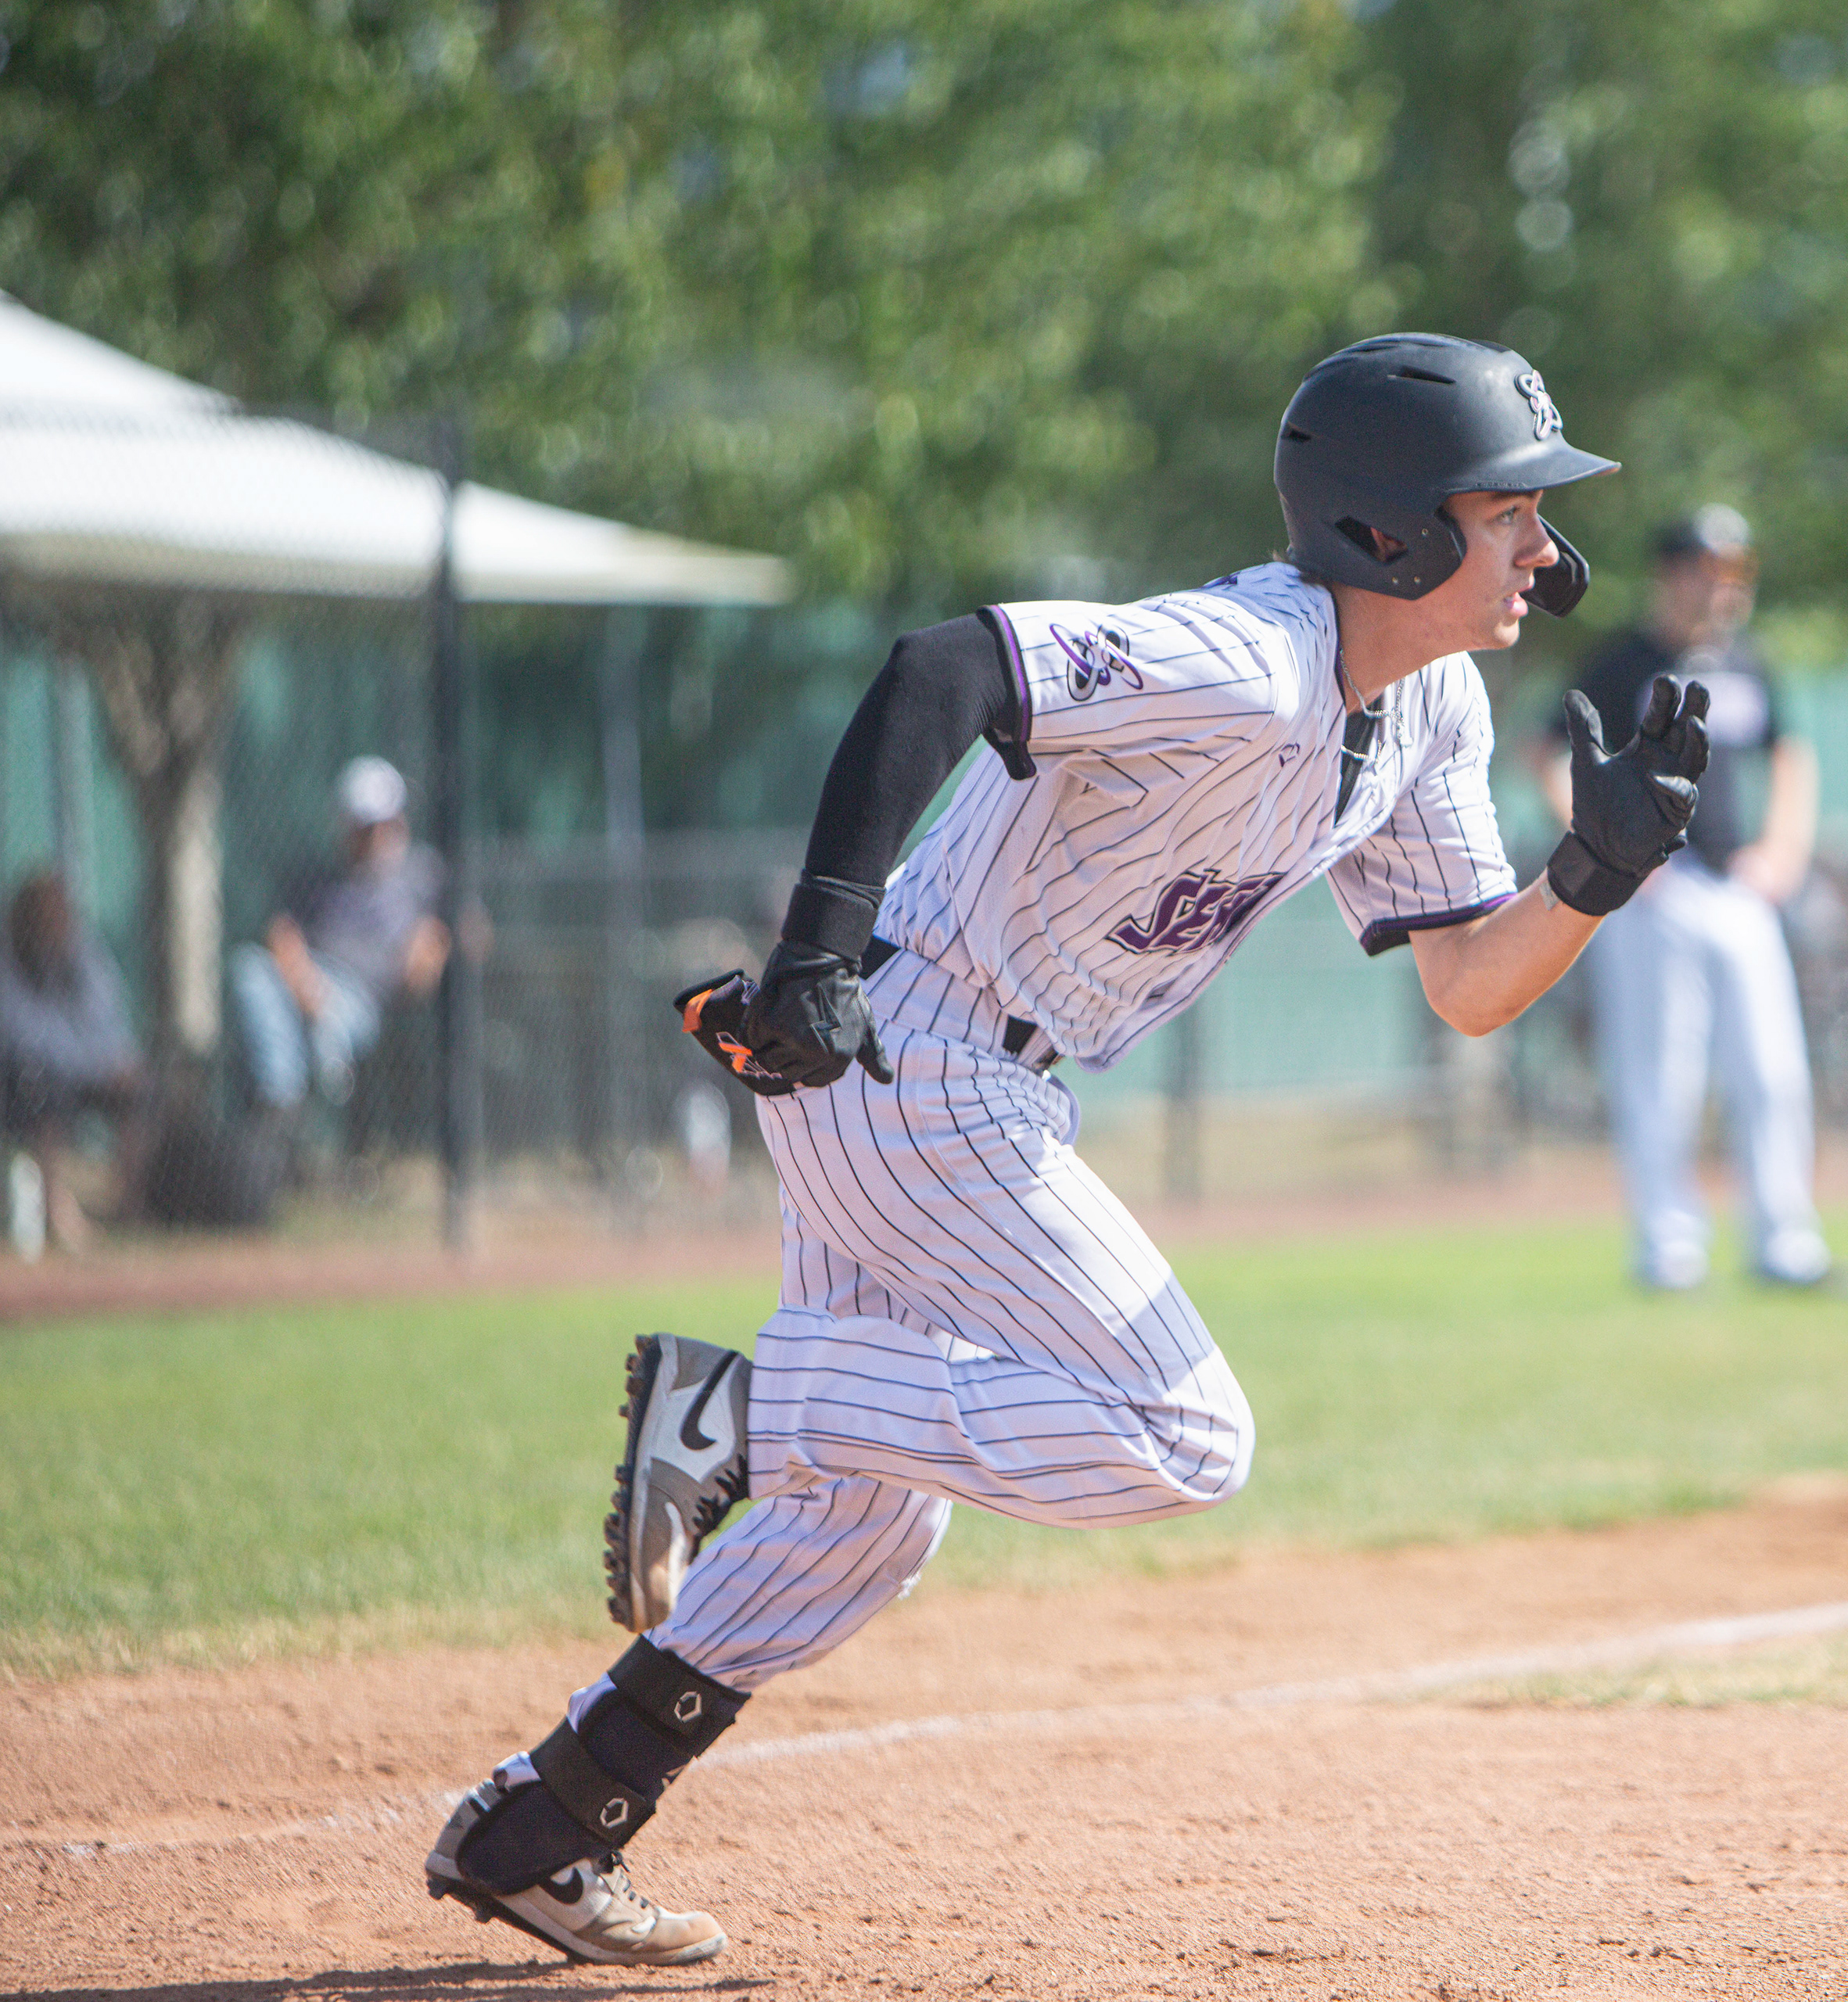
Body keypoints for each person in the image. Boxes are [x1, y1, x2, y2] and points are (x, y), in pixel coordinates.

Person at [420, 334, 1710, 1967]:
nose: (1543, 545)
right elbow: (942, 669)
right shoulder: (1247, 654)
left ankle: (547, 1820)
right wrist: (816, 946)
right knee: (1186, 1432)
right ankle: (741, 1406)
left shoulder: (1430, 707)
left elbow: (1467, 987)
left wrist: (1595, 876)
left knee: (871, 1522)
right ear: (1392, 533)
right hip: (909, 1048)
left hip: (961, 1076)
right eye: (1508, 508)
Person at [1540, 504, 1837, 1292]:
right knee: (1660, 1077)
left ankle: (1785, 1243)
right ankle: (1669, 1248)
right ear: (1670, 575)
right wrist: (1609, 853)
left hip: (1739, 887)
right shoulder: (1623, 663)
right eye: (1711, 570)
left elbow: (1790, 753)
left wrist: (1784, 850)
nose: (1726, 587)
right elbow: (1548, 751)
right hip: (1652, 895)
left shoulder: (1747, 661)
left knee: (1771, 1072)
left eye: (1737, 571)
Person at [228, 755, 450, 1116]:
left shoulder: (422, 874)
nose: (374, 837)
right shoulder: (318, 877)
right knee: (250, 969)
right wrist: (306, 986)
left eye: (382, 825)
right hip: (305, 980)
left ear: (399, 822)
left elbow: (458, 936)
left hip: (362, 997)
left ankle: (306, 1095)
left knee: (326, 1028)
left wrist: (430, 950)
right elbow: (283, 933)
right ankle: (281, 1104)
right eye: (363, 827)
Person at [0, 870, 140, 1251]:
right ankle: (54, 1211)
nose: (57, 926)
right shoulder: (9, 958)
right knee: (42, 1085)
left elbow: (108, 1024)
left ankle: (129, 1208)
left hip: (78, 1069)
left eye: (62, 915)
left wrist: (107, 1065)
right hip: (22, 1078)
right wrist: (88, 1063)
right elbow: (23, 1036)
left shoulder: (82, 953)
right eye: (46, 916)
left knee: (137, 1086)